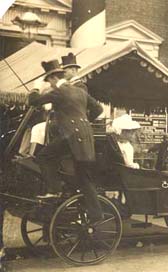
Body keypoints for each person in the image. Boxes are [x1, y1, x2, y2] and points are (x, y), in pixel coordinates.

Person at [28, 59, 103, 223]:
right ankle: (96, 214)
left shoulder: (59, 92)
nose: (49, 85)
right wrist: (83, 122)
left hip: (70, 137)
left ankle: (54, 189)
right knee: (83, 177)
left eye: (49, 81)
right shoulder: (79, 91)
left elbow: (32, 101)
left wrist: (36, 87)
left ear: (54, 78)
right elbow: (99, 109)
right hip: (84, 138)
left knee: (43, 157)